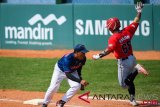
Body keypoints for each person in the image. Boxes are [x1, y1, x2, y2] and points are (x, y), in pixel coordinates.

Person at [92, 2, 149, 106]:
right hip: (132, 58)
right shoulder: (127, 31)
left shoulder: (113, 38)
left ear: (111, 27)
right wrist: (139, 11)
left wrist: (98, 56)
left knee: (124, 84)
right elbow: (136, 20)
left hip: (124, 62)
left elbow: (109, 50)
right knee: (129, 81)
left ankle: (137, 70)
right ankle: (132, 100)